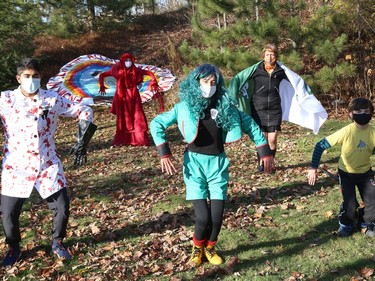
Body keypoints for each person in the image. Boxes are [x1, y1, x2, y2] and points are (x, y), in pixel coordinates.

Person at [150, 64, 274, 267]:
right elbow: (157, 124)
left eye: (214, 82)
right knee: (202, 217)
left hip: (218, 164)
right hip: (194, 165)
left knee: (216, 218)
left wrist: (264, 150)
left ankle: (209, 247)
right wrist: (164, 154)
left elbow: (250, 124)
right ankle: (197, 248)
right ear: (196, 82)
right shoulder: (184, 107)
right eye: (206, 82)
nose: (210, 86)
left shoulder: (225, 106)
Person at [0, 58, 97, 267]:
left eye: (35, 76)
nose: (31, 80)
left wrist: (82, 140)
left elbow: (83, 108)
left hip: (47, 162)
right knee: (8, 212)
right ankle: (14, 246)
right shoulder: (5, 100)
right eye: (27, 76)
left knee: (61, 207)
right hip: (15, 165)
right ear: (18, 78)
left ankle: (58, 242)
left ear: (40, 77)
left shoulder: (52, 99)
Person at [228, 43, 327, 172]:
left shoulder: (281, 71)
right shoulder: (256, 70)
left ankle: (271, 162)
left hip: (274, 108)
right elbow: (238, 79)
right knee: (262, 138)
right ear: (263, 55)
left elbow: (296, 80)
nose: (270, 57)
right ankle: (262, 164)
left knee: (272, 139)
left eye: (272, 54)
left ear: (276, 56)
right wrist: (233, 97)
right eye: (267, 54)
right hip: (258, 108)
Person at [307, 98, 375, 238]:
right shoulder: (346, 132)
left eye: (366, 111)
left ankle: (366, 223)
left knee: (372, 201)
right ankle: (346, 223)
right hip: (347, 174)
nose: (363, 114)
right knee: (350, 203)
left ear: (371, 113)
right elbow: (320, 145)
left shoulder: (373, 132)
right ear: (350, 114)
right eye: (358, 111)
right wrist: (313, 167)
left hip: (366, 174)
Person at [98, 53, 163, 146]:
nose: (128, 62)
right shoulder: (116, 69)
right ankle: (123, 139)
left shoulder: (135, 70)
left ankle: (139, 139)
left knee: (137, 115)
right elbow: (102, 75)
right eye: (126, 60)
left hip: (133, 95)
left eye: (130, 60)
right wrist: (102, 85)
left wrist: (153, 82)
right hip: (121, 96)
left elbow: (148, 73)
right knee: (123, 117)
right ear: (122, 61)